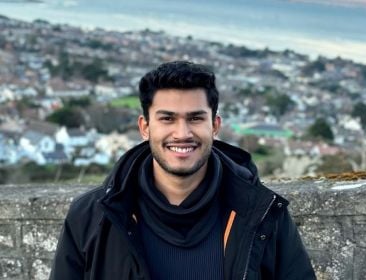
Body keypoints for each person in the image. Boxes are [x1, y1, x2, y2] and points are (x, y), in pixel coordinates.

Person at [50, 61, 316, 280]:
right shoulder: (91, 216)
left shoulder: (262, 213)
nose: (182, 133)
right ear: (145, 127)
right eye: (167, 118)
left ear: (214, 125)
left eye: (195, 118)